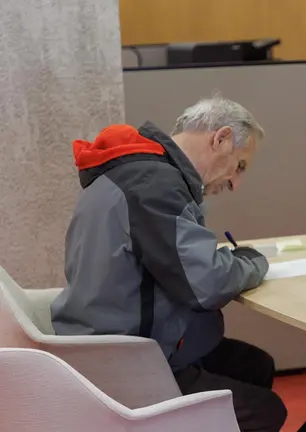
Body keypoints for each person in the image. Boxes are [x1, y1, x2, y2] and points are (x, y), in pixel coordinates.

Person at [51, 96, 287, 431]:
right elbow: (206, 285)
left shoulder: (135, 170)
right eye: (240, 166)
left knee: (254, 366)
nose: (236, 183)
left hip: (107, 339)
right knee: (265, 412)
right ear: (219, 139)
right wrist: (253, 261)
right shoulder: (153, 185)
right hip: (125, 360)